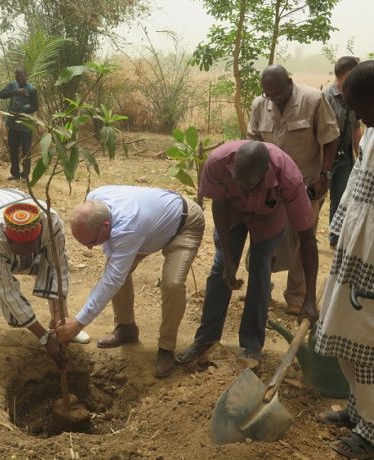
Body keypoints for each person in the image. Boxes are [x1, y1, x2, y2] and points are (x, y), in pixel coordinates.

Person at [176, 141, 319, 368]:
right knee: (220, 268)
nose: (240, 187)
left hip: (269, 216)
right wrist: (228, 259)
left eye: (248, 184)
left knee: (260, 269)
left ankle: (252, 346)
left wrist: (309, 298)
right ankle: (205, 340)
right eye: (236, 180)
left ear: (264, 174)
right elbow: (219, 205)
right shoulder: (217, 163)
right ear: (232, 166)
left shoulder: (289, 179)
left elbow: (307, 238)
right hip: (231, 212)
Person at [55, 185, 205, 378]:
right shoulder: (94, 198)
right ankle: (126, 328)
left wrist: (78, 323)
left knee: (172, 284)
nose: (90, 249)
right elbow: (114, 268)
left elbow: (112, 279)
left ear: (106, 226)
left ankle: (166, 347)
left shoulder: (127, 228)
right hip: (149, 228)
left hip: (184, 224)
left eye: (91, 243)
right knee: (117, 270)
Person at [0, 189, 90, 375]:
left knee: (52, 263)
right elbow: (7, 292)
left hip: (12, 202)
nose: (24, 254)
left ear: (40, 234)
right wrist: (44, 338)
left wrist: (58, 318)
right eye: (18, 248)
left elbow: (58, 267)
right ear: (6, 235)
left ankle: (62, 325)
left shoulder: (51, 223)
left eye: (29, 247)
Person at [314, 60, 374, 460]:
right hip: (353, 250)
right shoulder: (370, 131)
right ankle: (358, 409)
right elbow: (354, 184)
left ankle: (371, 431)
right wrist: (337, 229)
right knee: (343, 337)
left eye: (361, 106)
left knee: (366, 345)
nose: (358, 116)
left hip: (372, 261)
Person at [249, 65, 339, 315]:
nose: (274, 98)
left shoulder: (314, 100)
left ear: (289, 82)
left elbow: (331, 138)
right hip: (270, 185)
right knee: (263, 235)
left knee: (303, 238)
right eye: (269, 94)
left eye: (278, 93)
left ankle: (297, 296)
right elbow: (254, 139)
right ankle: (261, 289)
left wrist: (324, 175)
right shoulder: (260, 104)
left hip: (305, 183)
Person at [323, 56, 362, 248]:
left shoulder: (353, 96)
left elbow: (356, 128)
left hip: (345, 158)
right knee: (317, 198)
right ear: (348, 73)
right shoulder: (325, 98)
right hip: (325, 159)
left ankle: (335, 237)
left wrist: (360, 156)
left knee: (340, 199)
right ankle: (306, 235)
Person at [0, 67, 39, 181]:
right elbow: (2, 94)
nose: (19, 78)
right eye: (17, 76)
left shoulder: (32, 89)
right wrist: (16, 92)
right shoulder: (12, 85)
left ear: (26, 75)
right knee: (13, 149)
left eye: (21, 75)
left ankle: (25, 174)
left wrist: (23, 111)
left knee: (26, 151)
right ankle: (15, 174)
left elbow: (34, 106)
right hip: (12, 124)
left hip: (25, 125)